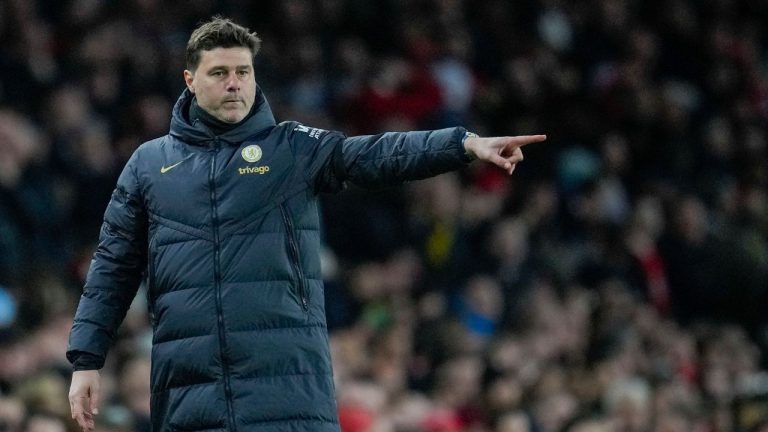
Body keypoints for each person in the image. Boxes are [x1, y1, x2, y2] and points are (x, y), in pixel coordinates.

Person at [66, 16, 546, 432]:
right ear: (189, 79)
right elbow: (113, 266)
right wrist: (87, 360)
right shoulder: (149, 165)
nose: (234, 83)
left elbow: (373, 154)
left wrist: (461, 145)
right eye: (219, 73)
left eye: (243, 72)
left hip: (288, 388)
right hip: (189, 393)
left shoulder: (292, 148)